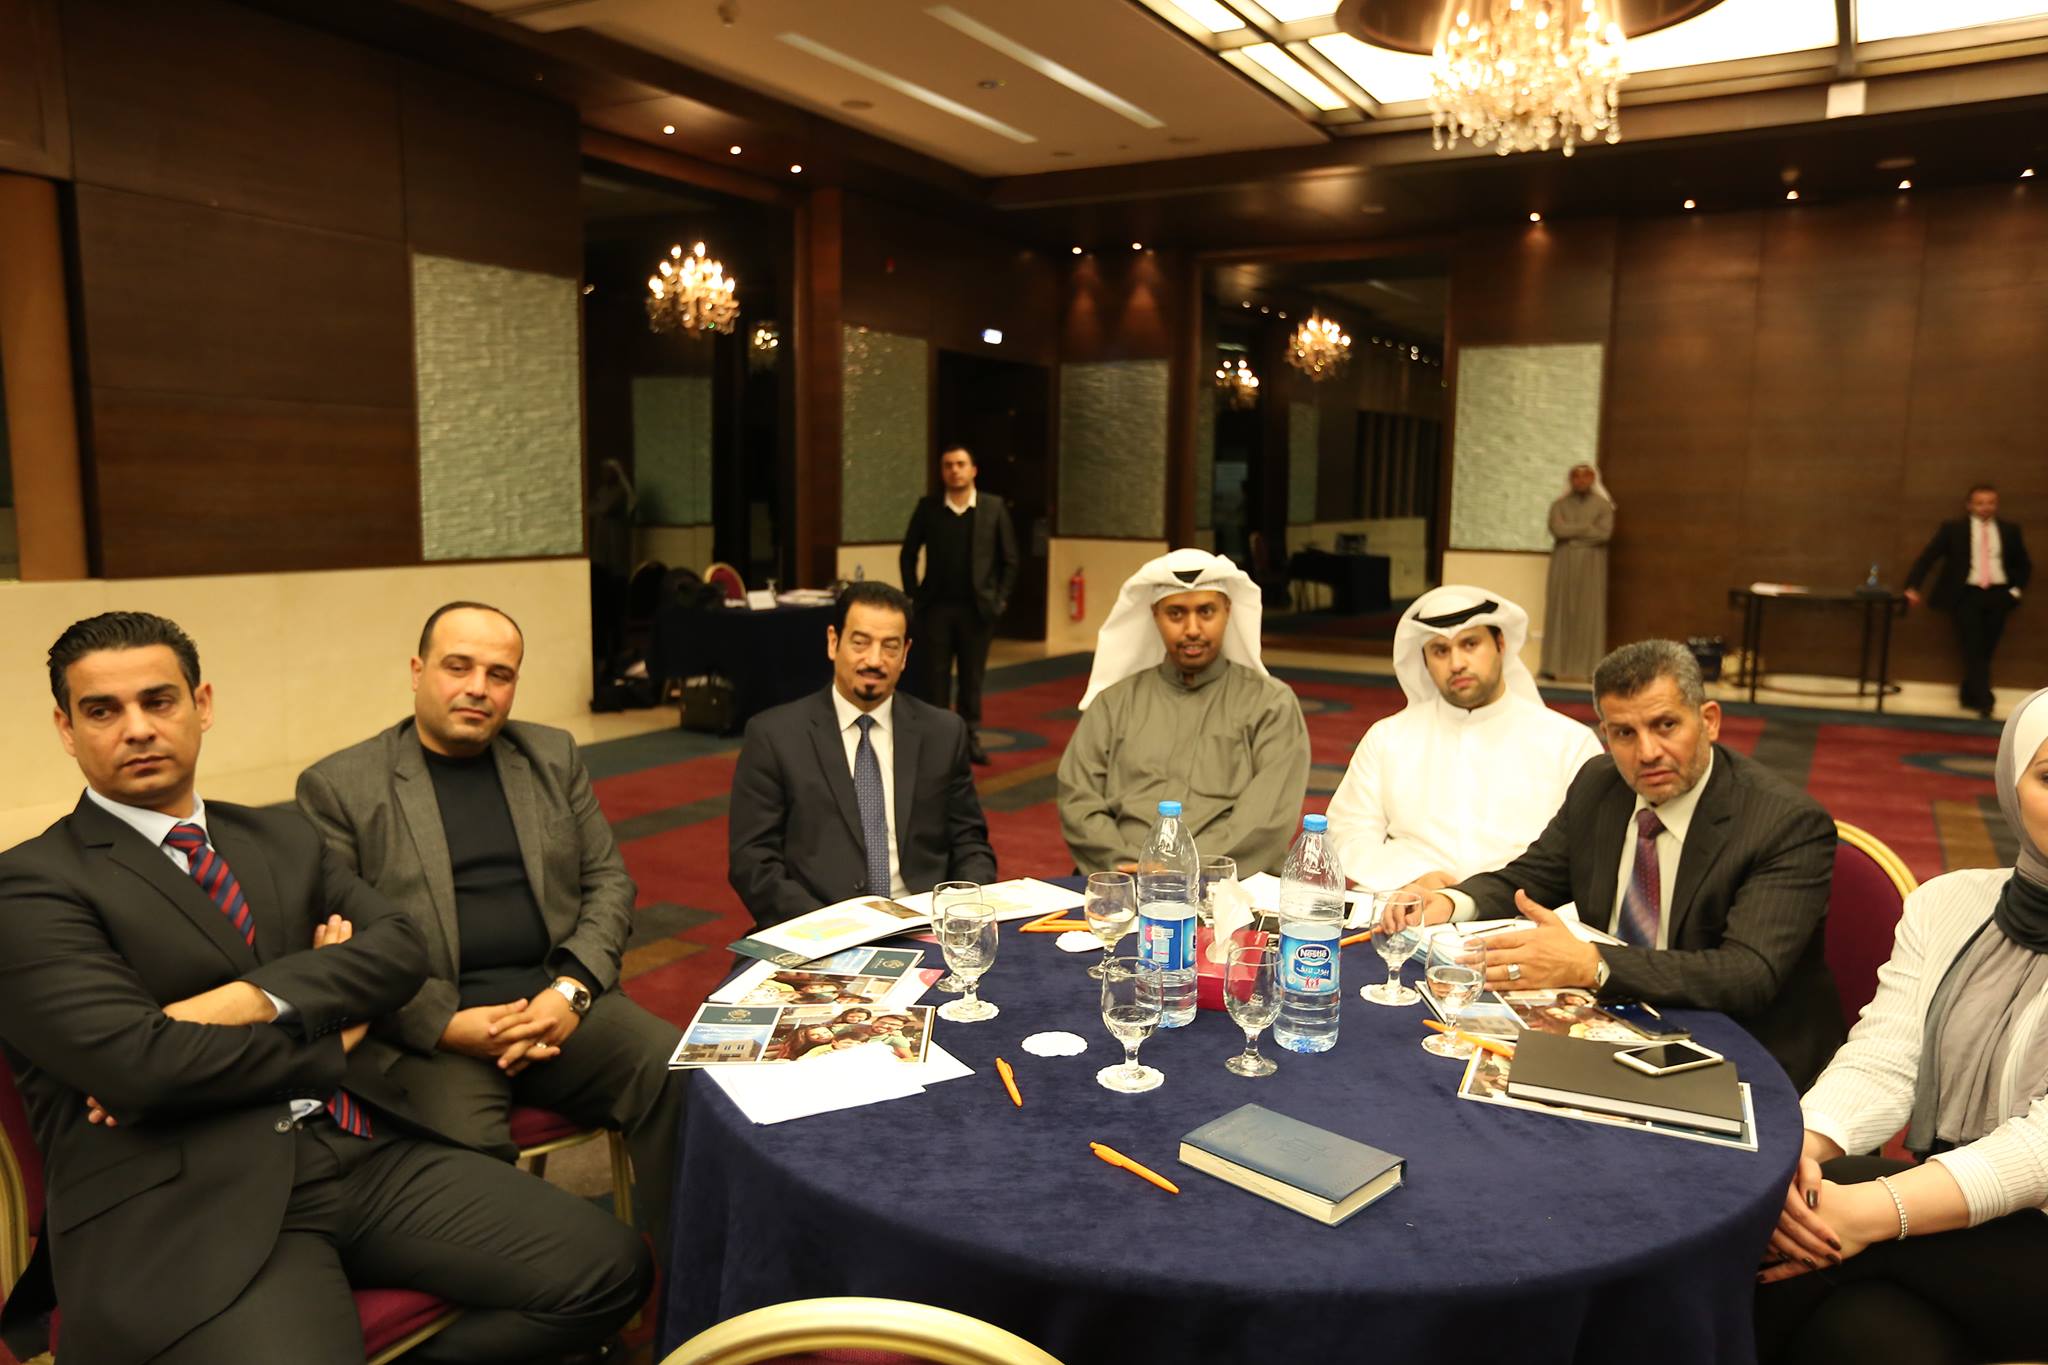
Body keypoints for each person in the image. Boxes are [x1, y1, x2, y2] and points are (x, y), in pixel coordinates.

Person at [0, 612, 648, 1365]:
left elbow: (400, 949)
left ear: (201, 705)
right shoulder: (32, 885)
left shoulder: (279, 838)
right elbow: (139, 1069)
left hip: (358, 1149)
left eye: (159, 700)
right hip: (188, 1197)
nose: (138, 728)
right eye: (102, 710)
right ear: (66, 728)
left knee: (612, 1269)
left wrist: (247, 1000)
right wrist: (329, 1034)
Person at [295, 601, 685, 1258]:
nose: (479, 687)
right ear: (417, 671)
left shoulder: (551, 756)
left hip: (560, 1005)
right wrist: (442, 1025)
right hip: (434, 1035)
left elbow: (609, 883)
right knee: (463, 1166)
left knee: (679, 1072)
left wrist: (571, 992)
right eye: (459, 667)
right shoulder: (341, 788)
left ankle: (691, 1272)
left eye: (499, 674)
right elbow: (343, 949)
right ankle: (553, 1297)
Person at [1390, 637, 1844, 1087]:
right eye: (1625, 733)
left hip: (1739, 1053)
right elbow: (1533, 876)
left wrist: (1592, 964)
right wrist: (1451, 901)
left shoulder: (1783, 823)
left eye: (1666, 726)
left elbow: (1746, 974)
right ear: (1606, 735)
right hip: (1608, 1027)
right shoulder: (1601, 783)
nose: (1647, 753)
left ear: (1708, 721)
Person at [1755, 687, 2048, 1365]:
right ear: (2011, 785)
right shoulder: (1949, 905)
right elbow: (1886, 1057)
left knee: (1793, 1231)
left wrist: (1869, 1211)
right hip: (1956, 1224)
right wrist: (1802, 1146)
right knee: (1862, 1333)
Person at [727, 581, 996, 928]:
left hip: (924, 924)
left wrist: (960, 912)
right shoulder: (774, 736)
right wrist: (832, 928)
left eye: (890, 647)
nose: (874, 660)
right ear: (833, 642)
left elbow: (970, 844)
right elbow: (753, 862)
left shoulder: (943, 733)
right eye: (860, 643)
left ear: (905, 654)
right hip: (818, 927)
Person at [1325, 585, 1603, 891]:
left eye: (1470, 644)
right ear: (1425, 661)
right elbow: (1348, 831)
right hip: (1411, 902)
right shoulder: (1388, 738)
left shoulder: (1568, 743)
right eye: (1440, 651)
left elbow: (1591, 847)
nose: (1456, 663)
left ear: (1501, 644)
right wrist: (1409, 875)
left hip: (1521, 908)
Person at [1057, 548, 1309, 876]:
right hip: (1122, 877)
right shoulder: (1113, 703)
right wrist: (1127, 865)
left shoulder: (1270, 703)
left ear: (1227, 611)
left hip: (1226, 883)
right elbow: (1079, 800)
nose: (1192, 629)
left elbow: (1265, 818)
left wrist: (1183, 870)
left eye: (1206, 612)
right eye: (1176, 614)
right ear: (1155, 615)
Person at [899, 445, 1019, 765]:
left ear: (973, 470)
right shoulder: (928, 508)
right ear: (942, 472)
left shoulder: (992, 507)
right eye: (948, 465)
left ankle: (969, 739)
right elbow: (908, 554)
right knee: (935, 678)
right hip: (935, 609)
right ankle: (937, 741)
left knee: (971, 678)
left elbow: (1010, 560)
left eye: (961, 464)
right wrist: (914, 595)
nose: (954, 470)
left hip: (977, 610)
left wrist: (1000, 599)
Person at [1905, 483, 2030, 719]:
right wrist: (1913, 586)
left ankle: (1969, 693)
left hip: (1998, 595)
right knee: (1972, 646)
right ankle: (1985, 700)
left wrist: (2014, 592)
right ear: (1969, 505)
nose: (1986, 507)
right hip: (1966, 596)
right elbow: (1928, 557)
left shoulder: (2009, 530)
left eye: (1990, 502)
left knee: (1987, 648)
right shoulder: (1953, 529)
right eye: (1980, 503)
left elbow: (2023, 564)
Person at [1540, 463, 1615, 680]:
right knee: (1560, 612)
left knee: (1589, 614)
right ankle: (1553, 667)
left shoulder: (1603, 505)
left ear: (1593, 479)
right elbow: (1557, 529)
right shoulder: (1559, 505)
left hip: (1592, 567)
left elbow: (1604, 534)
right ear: (1570, 480)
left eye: (1586, 477)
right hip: (1563, 565)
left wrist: (1572, 533)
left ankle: (1590, 669)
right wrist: (1587, 527)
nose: (1581, 481)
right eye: (1577, 477)